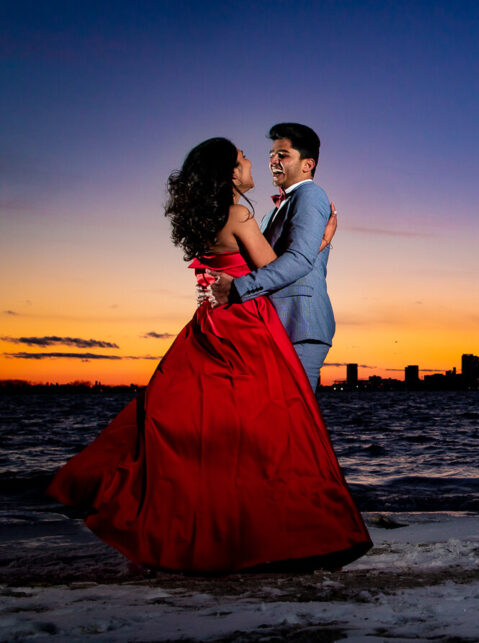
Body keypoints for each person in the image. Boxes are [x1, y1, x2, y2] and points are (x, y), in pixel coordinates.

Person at [46, 137, 372, 573]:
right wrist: (322, 242)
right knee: (276, 432)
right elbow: (274, 266)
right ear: (232, 174)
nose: (254, 161)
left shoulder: (203, 218)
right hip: (246, 327)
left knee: (191, 426)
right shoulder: (240, 214)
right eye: (243, 159)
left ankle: (201, 526)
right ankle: (279, 534)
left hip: (207, 326)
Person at [210, 123, 335, 390]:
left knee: (298, 421)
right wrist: (323, 242)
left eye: (283, 155)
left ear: (307, 164)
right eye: (271, 155)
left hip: (300, 324)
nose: (273, 162)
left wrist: (237, 288)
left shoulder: (311, 195)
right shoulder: (270, 213)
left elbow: (299, 260)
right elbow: (268, 260)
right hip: (276, 326)